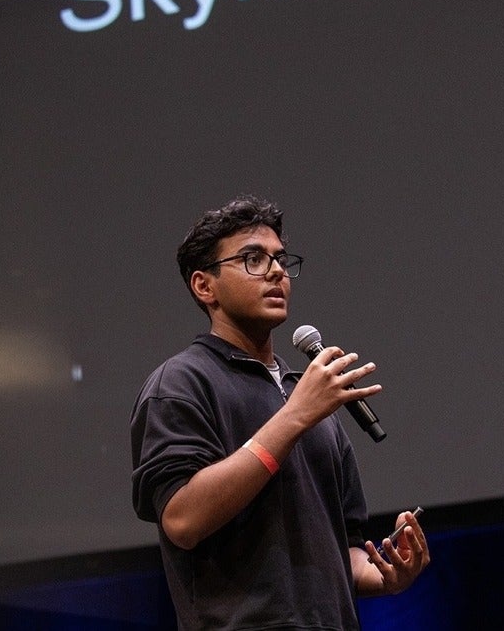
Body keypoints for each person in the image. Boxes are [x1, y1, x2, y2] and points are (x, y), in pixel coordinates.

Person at [130, 195, 429, 630]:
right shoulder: (180, 385)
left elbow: (342, 547)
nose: (275, 271)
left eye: (280, 259)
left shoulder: (308, 395)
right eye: (252, 258)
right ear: (204, 286)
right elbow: (182, 518)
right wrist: (295, 416)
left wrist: (383, 574)